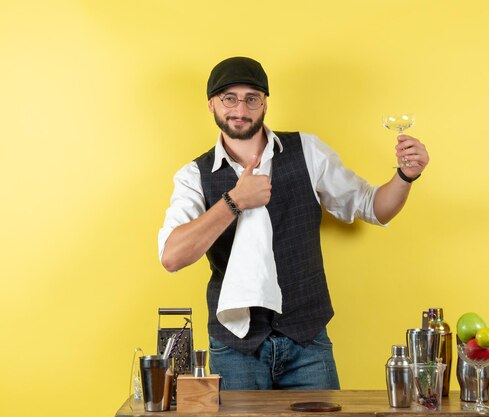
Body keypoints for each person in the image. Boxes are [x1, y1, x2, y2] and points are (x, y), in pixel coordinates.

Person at [158, 56, 429, 390]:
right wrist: (234, 201)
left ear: (265, 104)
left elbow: (374, 207)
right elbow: (172, 256)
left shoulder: (308, 150)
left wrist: (405, 175)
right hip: (235, 346)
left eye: (251, 98)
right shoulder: (192, 176)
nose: (240, 109)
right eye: (229, 98)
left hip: (307, 341)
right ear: (212, 104)